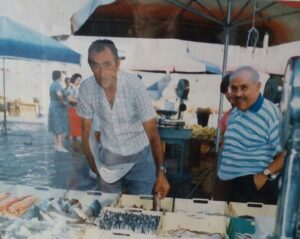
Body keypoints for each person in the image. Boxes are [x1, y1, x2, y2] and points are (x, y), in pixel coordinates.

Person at [77, 39, 170, 197]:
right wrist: (95, 166)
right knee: (110, 206)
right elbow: (86, 133)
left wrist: (160, 172)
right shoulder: (86, 88)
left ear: (117, 64)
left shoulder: (134, 85)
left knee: (141, 207)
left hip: (140, 156)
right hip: (111, 157)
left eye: (107, 64)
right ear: (90, 65)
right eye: (95, 65)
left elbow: (153, 133)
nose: (102, 73)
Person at [214, 66, 284, 204]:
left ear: (258, 87)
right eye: (234, 88)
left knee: (243, 225)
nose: (238, 93)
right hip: (226, 185)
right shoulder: (236, 111)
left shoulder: (270, 113)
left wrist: (264, 175)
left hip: (251, 187)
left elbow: (285, 153)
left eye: (244, 88)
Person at [48, 70, 69, 153]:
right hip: (58, 107)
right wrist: (64, 102)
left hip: (52, 105)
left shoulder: (52, 84)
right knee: (59, 125)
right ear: (59, 76)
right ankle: (60, 145)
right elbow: (59, 94)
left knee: (55, 126)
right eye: (61, 76)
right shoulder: (57, 85)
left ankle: (56, 145)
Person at [65, 73, 82, 151]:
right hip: (72, 110)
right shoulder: (70, 88)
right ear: (75, 79)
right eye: (78, 80)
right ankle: (75, 147)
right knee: (75, 130)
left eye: (80, 80)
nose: (80, 81)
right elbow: (69, 99)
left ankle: (77, 147)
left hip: (78, 110)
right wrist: (80, 101)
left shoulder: (77, 88)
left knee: (78, 129)